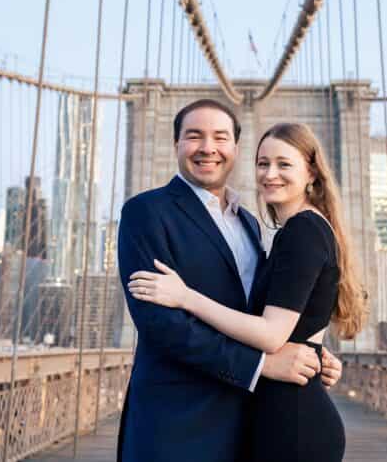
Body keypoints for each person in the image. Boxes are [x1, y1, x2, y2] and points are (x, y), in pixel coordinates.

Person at [116, 101, 344, 462]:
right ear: (176, 144)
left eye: (220, 137)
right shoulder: (145, 212)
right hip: (177, 427)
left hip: (249, 425)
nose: (208, 147)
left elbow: (264, 314)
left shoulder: (251, 224)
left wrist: (309, 347)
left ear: (236, 150)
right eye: (194, 136)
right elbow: (160, 324)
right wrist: (261, 364)